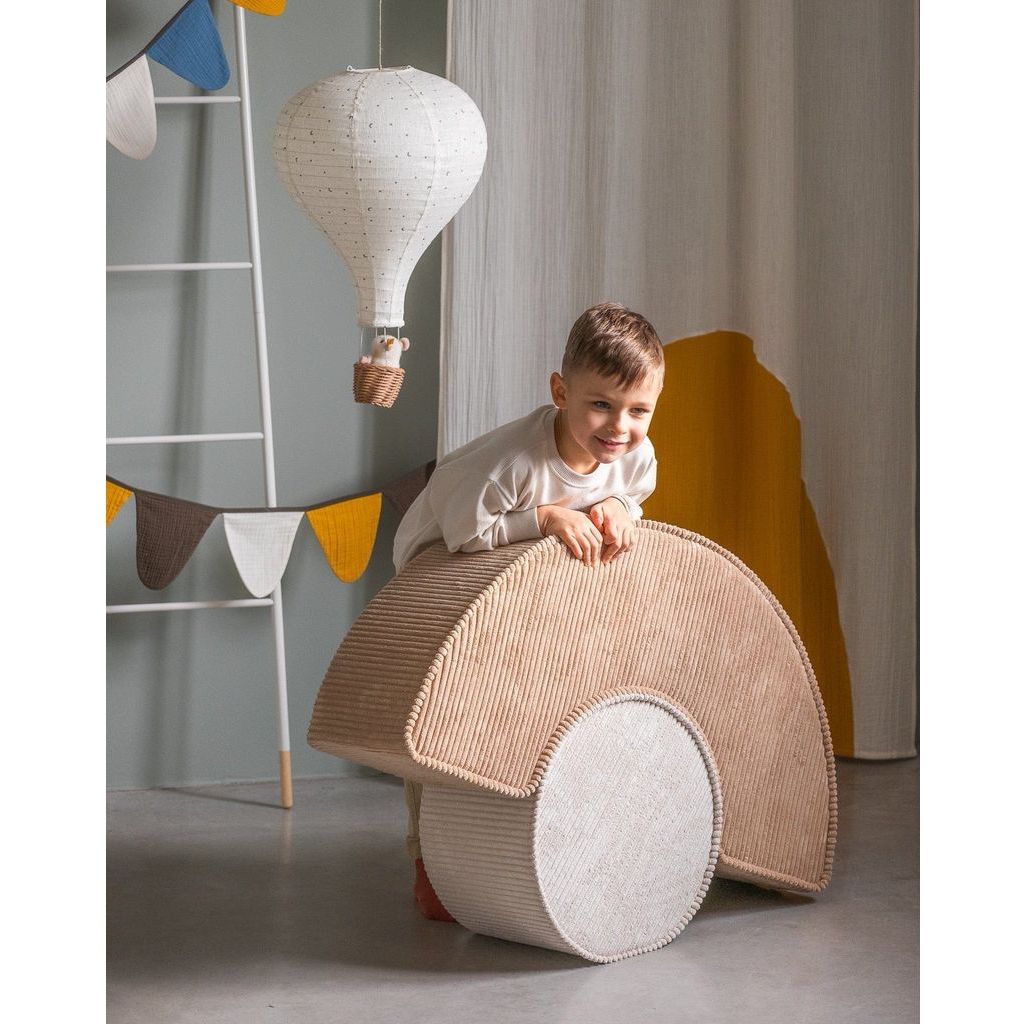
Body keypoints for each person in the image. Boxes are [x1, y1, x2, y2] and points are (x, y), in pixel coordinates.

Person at [393, 301, 664, 920]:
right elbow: (463, 535)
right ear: (560, 391)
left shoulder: (632, 455)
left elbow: (634, 490)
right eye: (601, 404)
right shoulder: (511, 465)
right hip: (444, 566)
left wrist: (622, 508)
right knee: (437, 719)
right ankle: (427, 859)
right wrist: (543, 517)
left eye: (639, 410)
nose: (619, 426)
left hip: (518, 583)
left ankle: (529, 840)